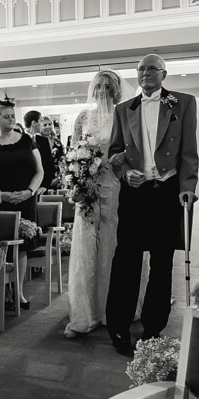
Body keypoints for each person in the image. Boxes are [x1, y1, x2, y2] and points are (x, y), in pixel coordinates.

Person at [106, 54, 198, 354]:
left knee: (162, 262)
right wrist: (125, 172)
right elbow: (114, 152)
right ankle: (118, 326)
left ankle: (153, 326)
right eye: (141, 69)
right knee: (126, 261)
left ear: (164, 73)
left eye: (152, 69)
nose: (146, 73)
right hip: (135, 193)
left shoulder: (183, 103)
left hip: (167, 191)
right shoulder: (124, 109)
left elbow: (189, 151)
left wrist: (188, 188)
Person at [64, 70, 125, 339]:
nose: (102, 90)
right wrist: (75, 182)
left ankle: (113, 307)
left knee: (112, 242)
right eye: (98, 85)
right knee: (87, 244)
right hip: (87, 188)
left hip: (113, 185)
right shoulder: (83, 117)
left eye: (107, 86)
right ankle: (86, 311)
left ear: (116, 90)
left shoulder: (123, 115)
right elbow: (74, 151)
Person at [0, 99, 44, 223]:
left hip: (26, 200)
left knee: (27, 234)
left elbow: (39, 170)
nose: (11, 119)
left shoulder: (27, 141)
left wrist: (29, 192)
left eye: (13, 116)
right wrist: (0, 195)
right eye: (6, 117)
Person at [25, 110, 57, 189]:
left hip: (43, 187)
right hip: (27, 187)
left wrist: (45, 186)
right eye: (41, 121)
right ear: (34, 123)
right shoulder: (21, 140)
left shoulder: (43, 141)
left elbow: (49, 165)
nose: (42, 124)